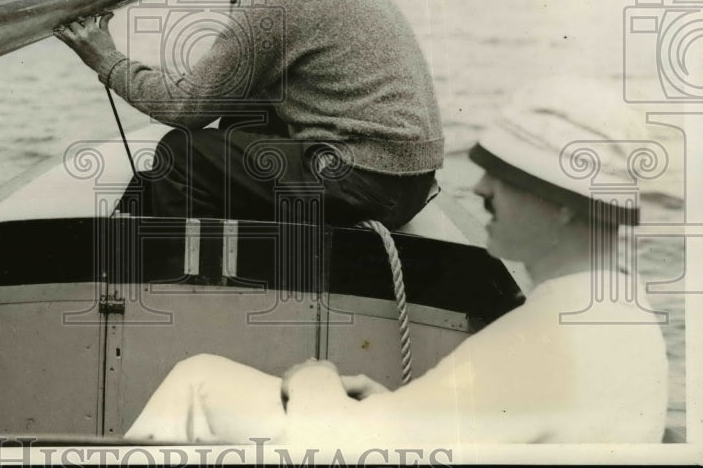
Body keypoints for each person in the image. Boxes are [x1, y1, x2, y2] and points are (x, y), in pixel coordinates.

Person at [122, 80, 670, 446]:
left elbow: (332, 449)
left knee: (196, 380)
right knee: (202, 378)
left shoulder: (543, 339)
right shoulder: (622, 314)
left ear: (566, 207)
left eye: (505, 174)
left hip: (354, 445)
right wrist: (392, 406)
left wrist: (316, 379)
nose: (479, 187)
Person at [55, 0, 443, 226]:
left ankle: (184, 279)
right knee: (243, 116)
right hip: (409, 183)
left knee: (181, 154)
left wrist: (106, 59)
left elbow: (184, 109)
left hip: (365, 184)